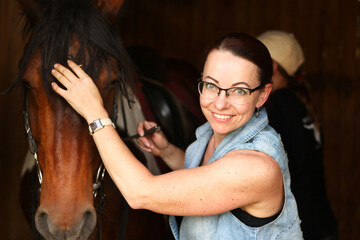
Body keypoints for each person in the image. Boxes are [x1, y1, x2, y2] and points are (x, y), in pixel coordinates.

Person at [50, 33, 303, 239]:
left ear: (262, 95)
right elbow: (208, 178)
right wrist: (167, 151)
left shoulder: (256, 167)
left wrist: (94, 111)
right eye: (211, 86)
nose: (220, 103)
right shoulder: (213, 135)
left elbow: (141, 193)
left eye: (238, 91)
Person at [257, 30, 338, 240]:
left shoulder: (279, 106)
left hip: (301, 228)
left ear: (272, 67)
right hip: (319, 222)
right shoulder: (300, 101)